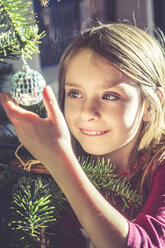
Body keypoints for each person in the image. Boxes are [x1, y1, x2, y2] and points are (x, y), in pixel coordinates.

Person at [1, 22, 165, 248]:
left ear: (150, 105)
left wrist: (59, 160)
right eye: (75, 93)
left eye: (110, 96)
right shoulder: (52, 168)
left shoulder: (160, 164)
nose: (88, 112)